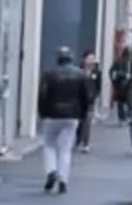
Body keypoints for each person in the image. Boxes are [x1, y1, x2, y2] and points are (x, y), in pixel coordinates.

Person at [34, 47, 93, 194]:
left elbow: (42, 95)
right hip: (72, 116)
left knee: (49, 145)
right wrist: (83, 114)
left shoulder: (49, 74)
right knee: (65, 149)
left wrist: (42, 113)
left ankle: (51, 171)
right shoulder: (80, 75)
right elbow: (86, 97)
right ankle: (63, 180)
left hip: (52, 115)